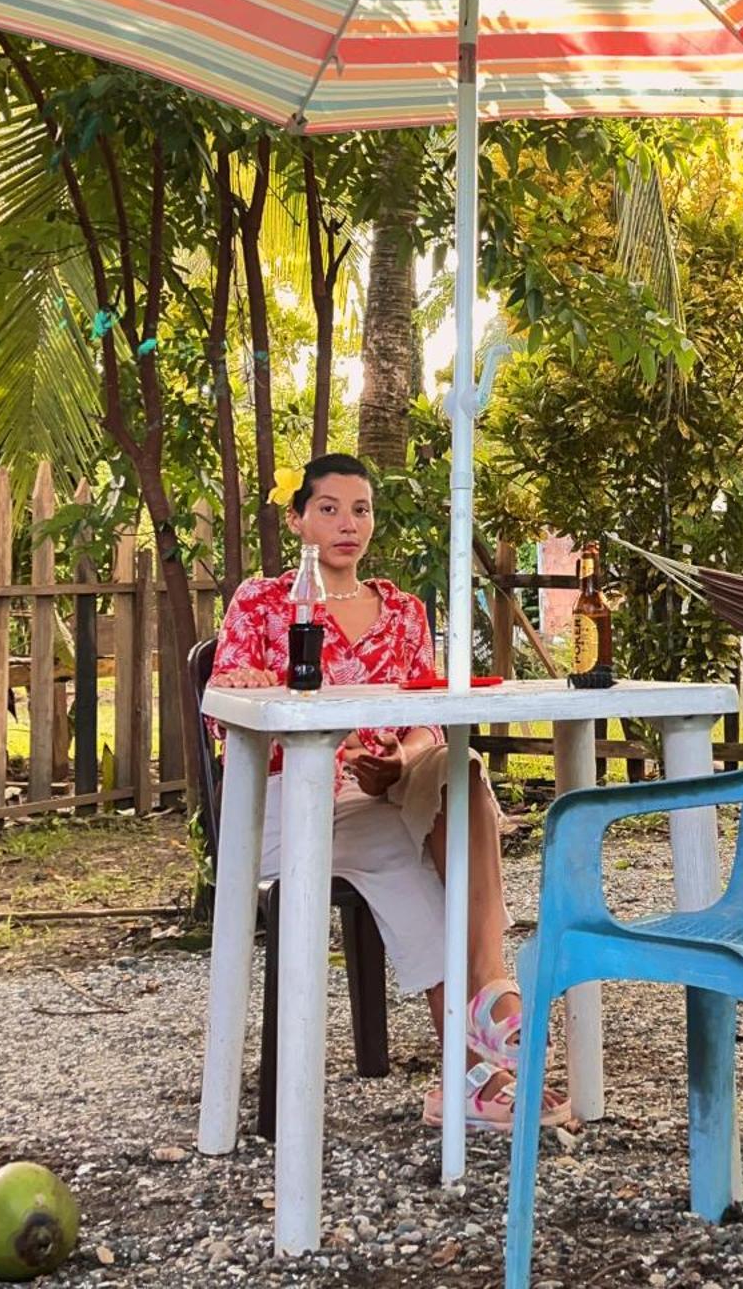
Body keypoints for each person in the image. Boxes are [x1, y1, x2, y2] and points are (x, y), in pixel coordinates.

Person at [209, 451, 566, 1133]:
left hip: (384, 795)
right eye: (329, 509)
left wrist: (397, 762)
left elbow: (426, 723)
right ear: (299, 520)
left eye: (361, 509)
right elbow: (226, 696)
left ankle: (489, 993)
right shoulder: (263, 602)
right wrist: (245, 684)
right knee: (422, 869)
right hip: (289, 802)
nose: (348, 524)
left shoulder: (402, 611)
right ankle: (478, 1060)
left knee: (459, 772)